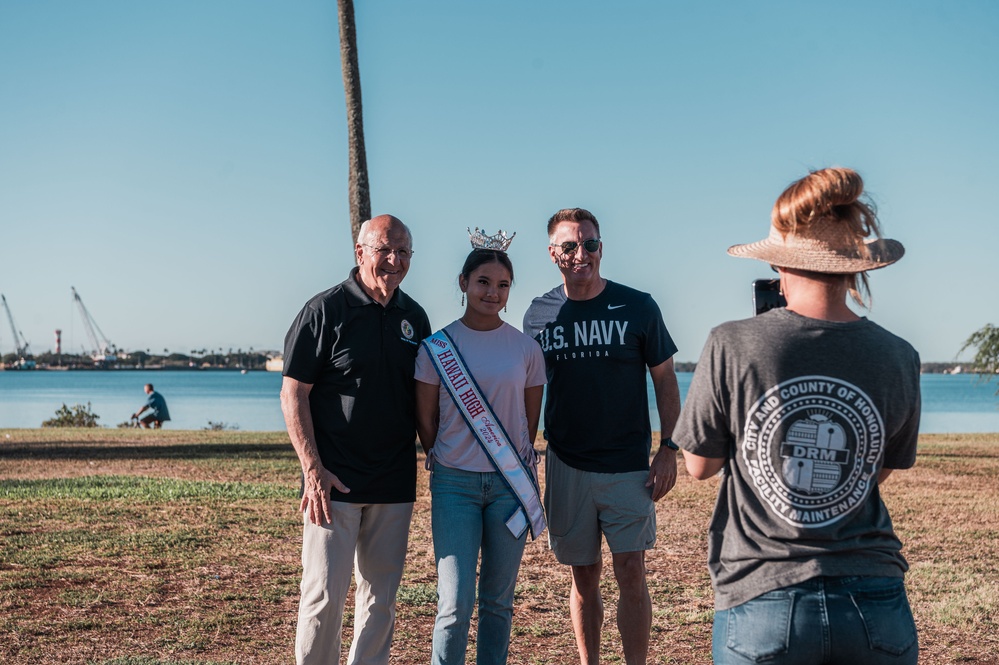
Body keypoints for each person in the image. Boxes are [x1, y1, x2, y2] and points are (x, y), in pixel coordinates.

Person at [674, 168, 920, 664]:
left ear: (779, 264)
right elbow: (876, 467)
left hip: (764, 593)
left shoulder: (733, 342)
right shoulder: (899, 355)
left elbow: (699, 466)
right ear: (855, 268)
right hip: (876, 600)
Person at [523, 208, 681, 665]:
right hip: (566, 461)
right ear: (553, 253)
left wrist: (668, 448)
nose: (581, 254)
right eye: (569, 246)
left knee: (631, 570)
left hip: (628, 464)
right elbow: (527, 387)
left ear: (601, 248)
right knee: (583, 576)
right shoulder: (538, 314)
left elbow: (666, 379)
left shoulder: (639, 306)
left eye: (589, 244)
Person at [280, 214, 431, 665]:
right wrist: (312, 470)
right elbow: (293, 394)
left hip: (393, 484)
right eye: (384, 248)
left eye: (403, 251)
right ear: (360, 252)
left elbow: (425, 400)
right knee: (324, 597)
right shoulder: (324, 310)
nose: (394, 259)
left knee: (380, 600)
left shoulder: (415, 317)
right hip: (333, 483)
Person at [415, 230, 547, 665]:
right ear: (463, 283)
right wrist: (456, 454)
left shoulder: (527, 349)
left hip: (509, 487)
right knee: (454, 603)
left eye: (503, 285)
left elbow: (528, 424)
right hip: (455, 486)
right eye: (484, 282)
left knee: (498, 601)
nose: (493, 292)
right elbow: (427, 423)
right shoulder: (436, 348)